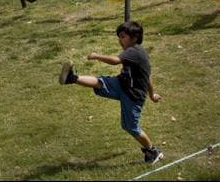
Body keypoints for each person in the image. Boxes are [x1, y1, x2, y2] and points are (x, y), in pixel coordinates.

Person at [59, 20, 163, 165]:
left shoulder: (135, 51)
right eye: (119, 37)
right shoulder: (134, 52)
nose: (120, 40)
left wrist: (96, 56)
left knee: (130, 126)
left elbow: (115, 61)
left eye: (123, 36)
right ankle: (71, 78)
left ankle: (153, 151)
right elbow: (148, 76)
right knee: (101, 82)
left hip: (132, 96)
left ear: (134, 37)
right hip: (122, 84)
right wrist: (152, 94)